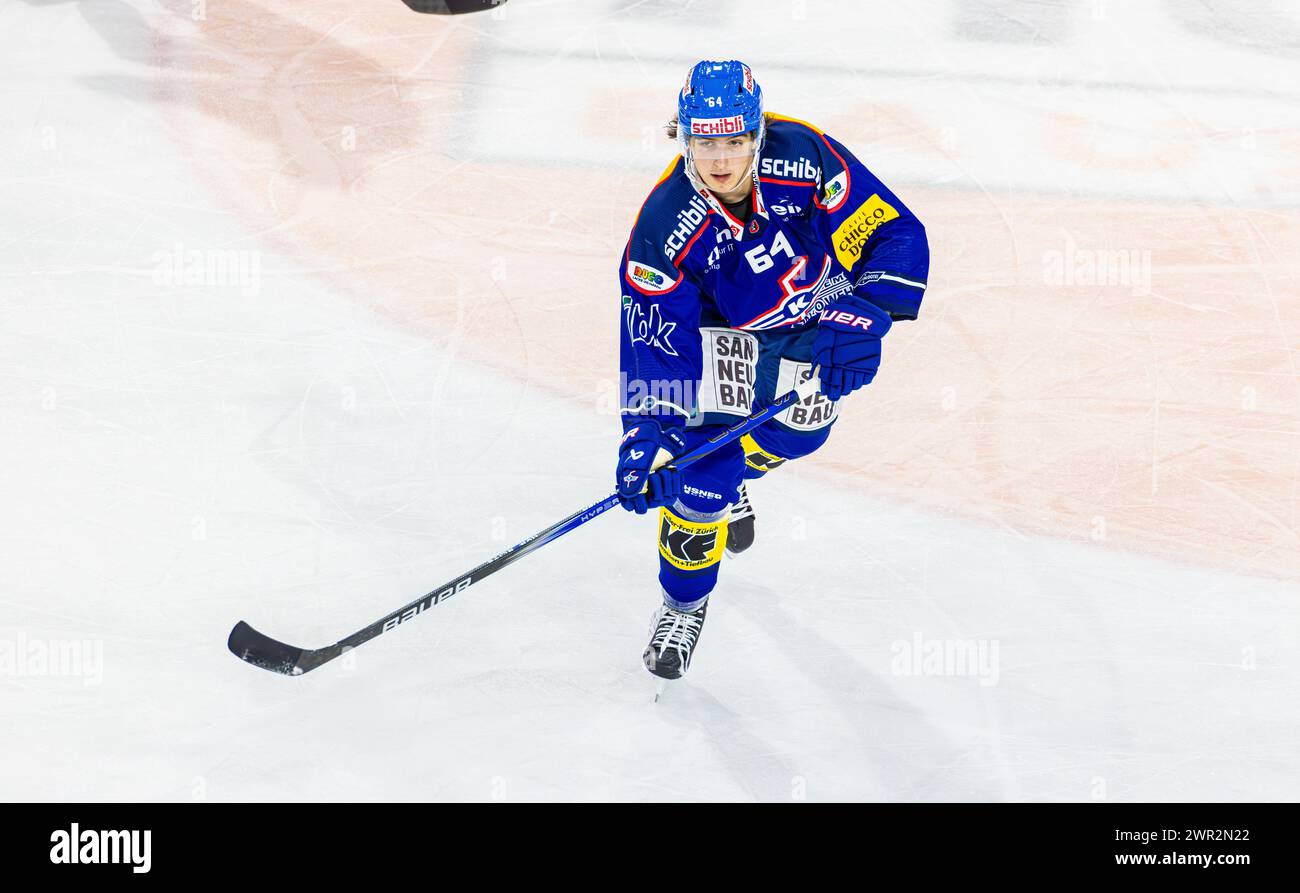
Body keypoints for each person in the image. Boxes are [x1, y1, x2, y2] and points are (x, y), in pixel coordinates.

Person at [616, 60, 929, 680]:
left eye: (735, 140)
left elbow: (890, 230)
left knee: (803, 432)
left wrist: (866, 311)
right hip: (722, 340)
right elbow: (656, 335)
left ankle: (735, 476)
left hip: (818, 316)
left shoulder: (806, 155)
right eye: (705, 140)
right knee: (700, 474)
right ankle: (684, 601)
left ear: (757, 134)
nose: (721, 158)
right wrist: (647, 434)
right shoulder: (663, 227)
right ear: (683, 137)